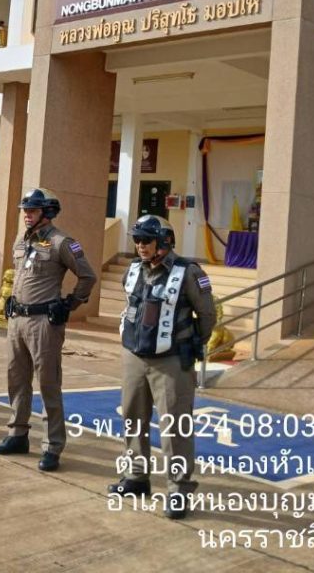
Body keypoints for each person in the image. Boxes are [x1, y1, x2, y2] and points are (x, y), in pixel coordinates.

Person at [108, 214, 216, 520]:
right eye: (137, 239)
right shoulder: (132, 269)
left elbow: (207, 316)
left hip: (171, 361)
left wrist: (190, 343)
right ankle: (136, 477)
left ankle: (179, 489)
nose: (140, 245)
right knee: (132, 418)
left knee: (175, 427)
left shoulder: (189, 273)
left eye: (146, 240)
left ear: (165, 242)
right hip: (134, 356)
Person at [0, 187, 97, 471]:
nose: (27, 215)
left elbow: (87, 276)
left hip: (43, 324)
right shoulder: (21, 240)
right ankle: (17, 434)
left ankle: (52, 446)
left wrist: (70, 304)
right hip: (17, 320)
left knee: (48, 384)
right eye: (25, 210)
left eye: (33, 210)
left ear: (47, 212)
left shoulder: (63, 243)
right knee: (16, 379)